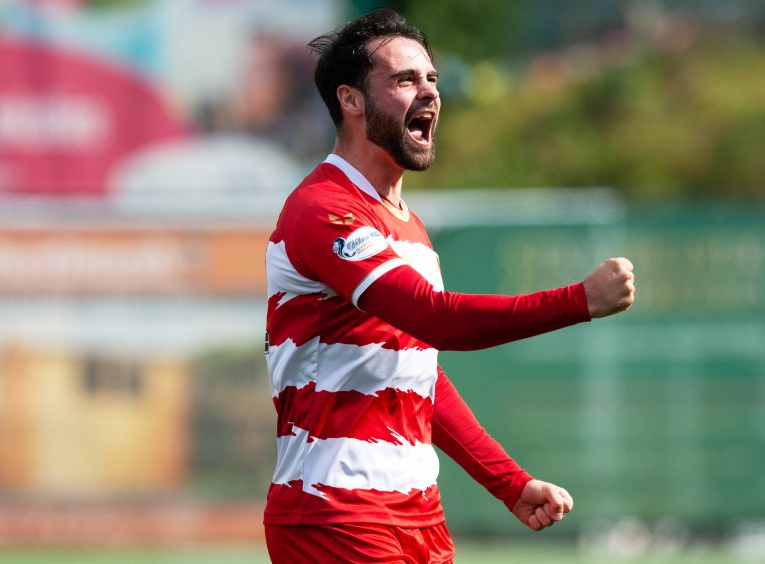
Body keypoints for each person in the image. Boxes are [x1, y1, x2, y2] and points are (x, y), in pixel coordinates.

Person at [264, 8, 635, 563]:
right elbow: (434, 317)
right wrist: (577, 301)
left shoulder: (405, 224)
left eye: (432, 78)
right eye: (405, 79)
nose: (429, 92)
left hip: (418, 515)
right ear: (351, 100)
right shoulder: (322, 209)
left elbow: (418, 374)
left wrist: (509, 482)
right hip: (333, 511)